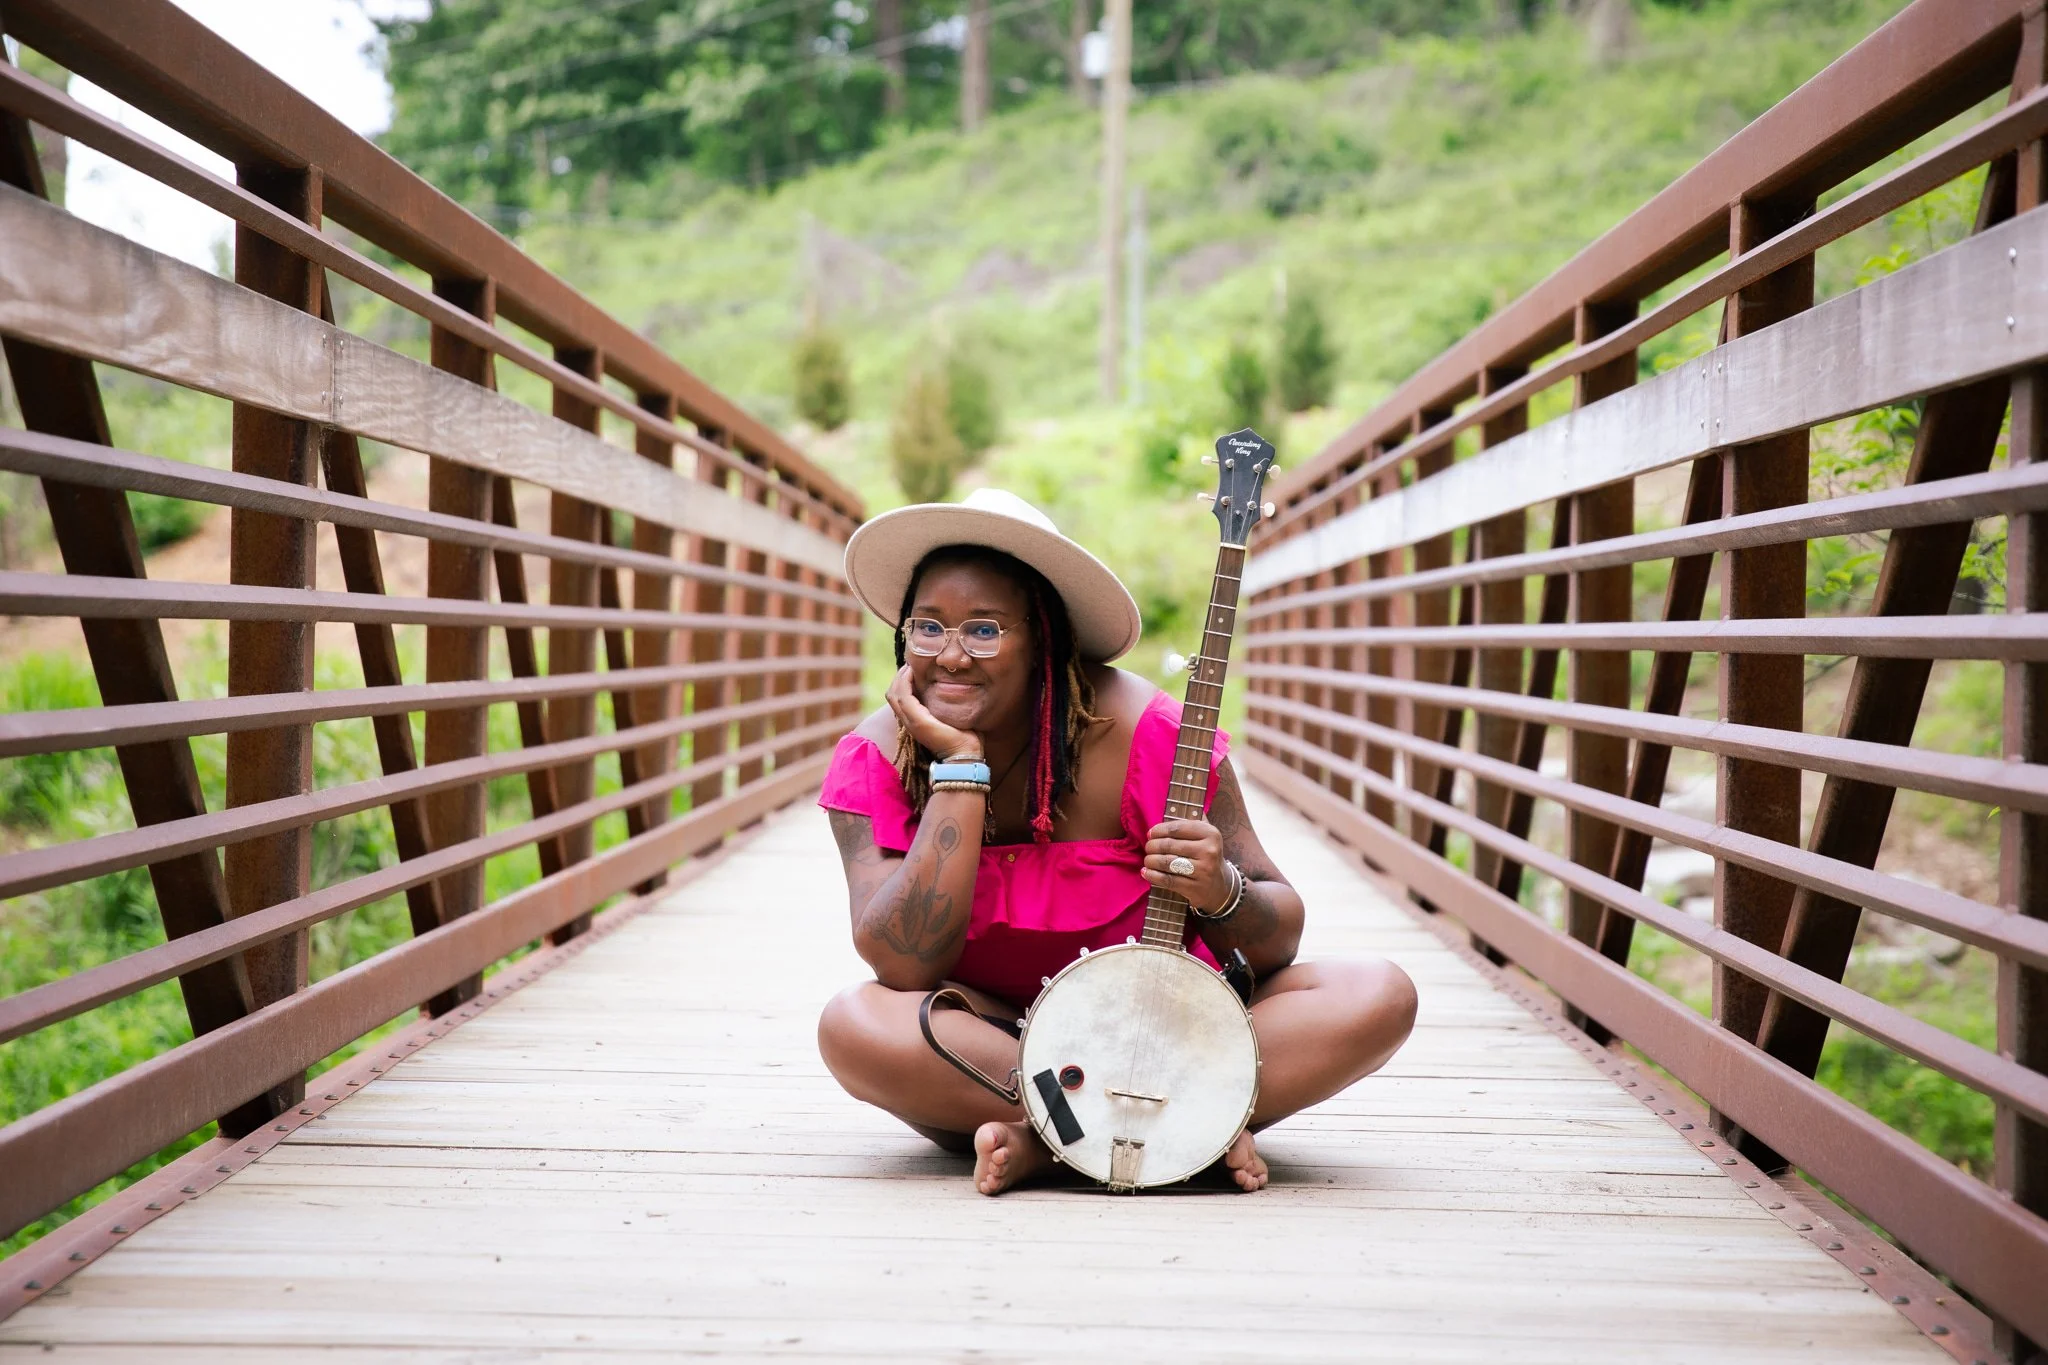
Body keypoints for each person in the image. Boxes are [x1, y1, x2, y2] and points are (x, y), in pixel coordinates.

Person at [816, 489, 1418, 1195]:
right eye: (928, 628)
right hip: (996, 1047)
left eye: (984, 630)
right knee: (854, 1025)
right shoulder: (878, 757)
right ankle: (1174, 1128)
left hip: (1167, 1033)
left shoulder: (1151, 733)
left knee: (1376, 992)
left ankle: (1050, 1142)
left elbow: (1278, 939)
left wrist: (1221, 889)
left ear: (1044, 639)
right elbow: (902, 964)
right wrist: (959, 769)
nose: (950, 656)